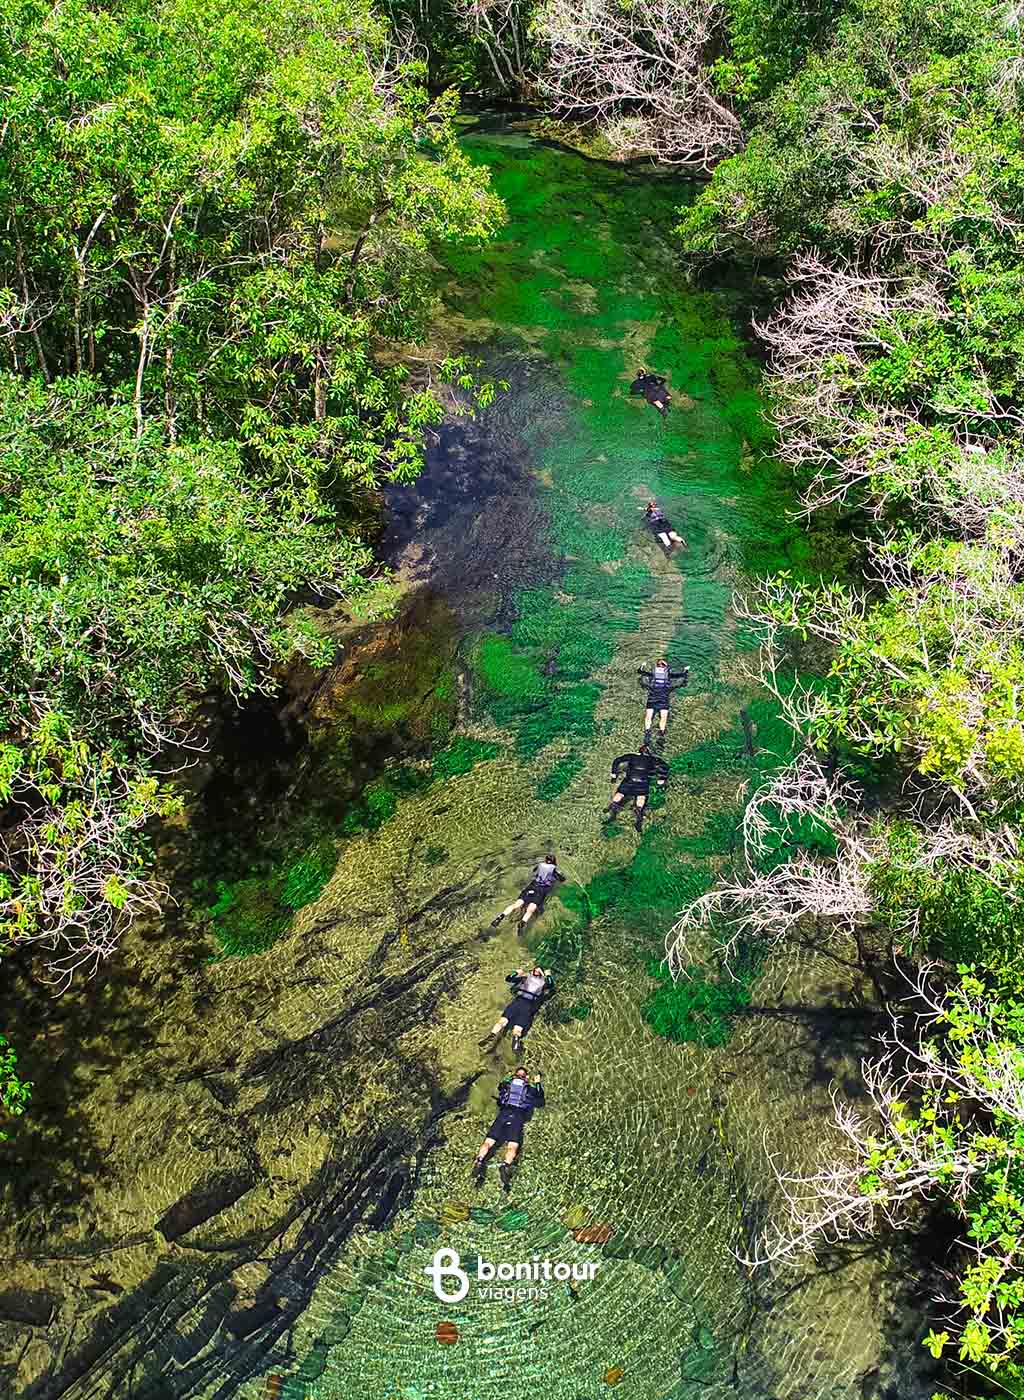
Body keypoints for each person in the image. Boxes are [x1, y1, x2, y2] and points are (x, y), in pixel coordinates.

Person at [472, 1067, 545, 1191]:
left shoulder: (506, 1085)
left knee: (488, 1142)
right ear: (526, 1078)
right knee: (512, 1146)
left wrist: (509, 1077)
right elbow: (540, 1099)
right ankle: (505, 1165)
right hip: (517, 1116)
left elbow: (500, 1086)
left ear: (515, 1076)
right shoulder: (529, 1089)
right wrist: (537, 1082)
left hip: (503, 1114)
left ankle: (479, 1160)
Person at [479, 966, 555, 1056]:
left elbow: (509, 978)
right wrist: (548, 975)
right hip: (526, 1005)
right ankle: (507, 1039)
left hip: (519, 1003)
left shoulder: (527, 978)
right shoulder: (533, 979)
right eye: (536, 969)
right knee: (511, 1025)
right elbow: (551, 984)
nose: (537, 971)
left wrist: (516, 973)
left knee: (504, 1022)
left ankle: (494, 1035)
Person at [489, 855, 566, 934]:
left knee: (517, 904)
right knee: (531, 909)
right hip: (541, 890)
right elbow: (562, 879)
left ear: (545, 860)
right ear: (554, 862)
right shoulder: (554, 870)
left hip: (532, 886)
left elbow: (534, 871)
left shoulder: (540, 865)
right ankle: (522, 923)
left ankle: (500, 917)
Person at [603, 742, 669, 832]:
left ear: (639, 752)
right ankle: (638, 820)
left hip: (629, 781)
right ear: (649, 753)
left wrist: (614, 774)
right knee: (640, 800)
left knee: (619, 795)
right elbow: (665, 766)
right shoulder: (653, 760)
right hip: (642, 783)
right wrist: (662, 778)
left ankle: (612, 813)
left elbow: (617, 760)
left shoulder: (632, 756)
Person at [638, 658, 690, 745]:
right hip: (663, 698)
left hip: (652, 697)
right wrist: (686, 670)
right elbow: (681, 676)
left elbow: (640, 672)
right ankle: (661, 734)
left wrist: (642, 665)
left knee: (648, 716)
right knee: (663, 718)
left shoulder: (652, 674)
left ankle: (647, 733)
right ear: (666, 667)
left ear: (657, 666)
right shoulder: (668, 674)